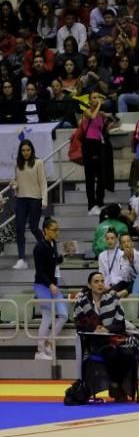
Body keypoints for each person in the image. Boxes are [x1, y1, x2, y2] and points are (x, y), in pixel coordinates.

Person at [74, 271, 137, 402]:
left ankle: (115, 385)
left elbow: (121, 325)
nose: (100, 284)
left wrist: (106, 329)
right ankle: (117, 388)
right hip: (93, 343)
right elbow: (80, 326)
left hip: (113, 340)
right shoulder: (82, 303)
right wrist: (94, 329)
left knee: (130, 353)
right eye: (96, 282)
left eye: (102, 281)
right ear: (89, 285)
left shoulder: (113, 300)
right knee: (112, 354)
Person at [33, 217, 66, 360]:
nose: (57, 232)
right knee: (46, 317)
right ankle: (40, 351)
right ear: (45, 230)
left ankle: (48, 343)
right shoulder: (39, 247)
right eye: (54, 230)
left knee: (63, 315)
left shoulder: (53, 243)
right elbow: (40, 271)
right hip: (42, 285)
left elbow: (53, 261)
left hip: (53, 284)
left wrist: (63, 257)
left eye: (58, 229)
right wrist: (50, 284)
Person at [11, 139, 46, 271]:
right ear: (20, 152)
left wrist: (44, 199)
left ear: (32, 150)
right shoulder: (18, 165)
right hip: (21, 199)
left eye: (28, 150)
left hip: (35, 199)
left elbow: (43, 182)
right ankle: (21, 259)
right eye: (23, 150)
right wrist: (14, 185)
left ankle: (47, 247)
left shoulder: (38, 163)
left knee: (33, 227)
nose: (26, 152)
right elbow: (18, 184)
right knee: (19, 228)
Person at [78, 93, 114, 215]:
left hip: (99, 145)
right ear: (89, 101)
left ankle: (99, 202)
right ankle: (91, 205)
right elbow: (92, 117)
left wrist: (109, 125)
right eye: (94, 98)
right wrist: (99, 105)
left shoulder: (101, 115)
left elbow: (101, 129)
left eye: (98, 98)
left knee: (101, 176)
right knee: (90, 178)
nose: (97, 100)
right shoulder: (87, 111)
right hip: (89, 145)